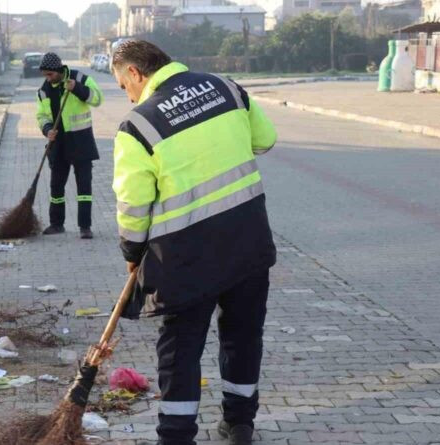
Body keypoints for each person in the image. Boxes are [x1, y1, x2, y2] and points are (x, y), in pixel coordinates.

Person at [110, 40, 277, 445]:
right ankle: (240, 424)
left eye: (122, 85)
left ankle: (177, 435)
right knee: (243, 337)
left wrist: (132, 254)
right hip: (248, 244)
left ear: (135, 73)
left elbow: (133, 207)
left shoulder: (138, 126)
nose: (126, 95)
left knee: (181, 350)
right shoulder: (228, 88)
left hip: (185, 260)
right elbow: (265, 140)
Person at [35, 52, 103, 239]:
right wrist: (48, 129)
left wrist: (78, 89)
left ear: (58, 70)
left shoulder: (79, 78)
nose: (47, 78)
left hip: (81, 141)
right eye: (45, 75)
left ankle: (85, 226)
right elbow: (41, 116)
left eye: (50, 74)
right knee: (56, 187)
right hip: (58, 146)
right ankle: (56, 224)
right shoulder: (43, 91)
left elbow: (97, 99)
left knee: (84, 187)